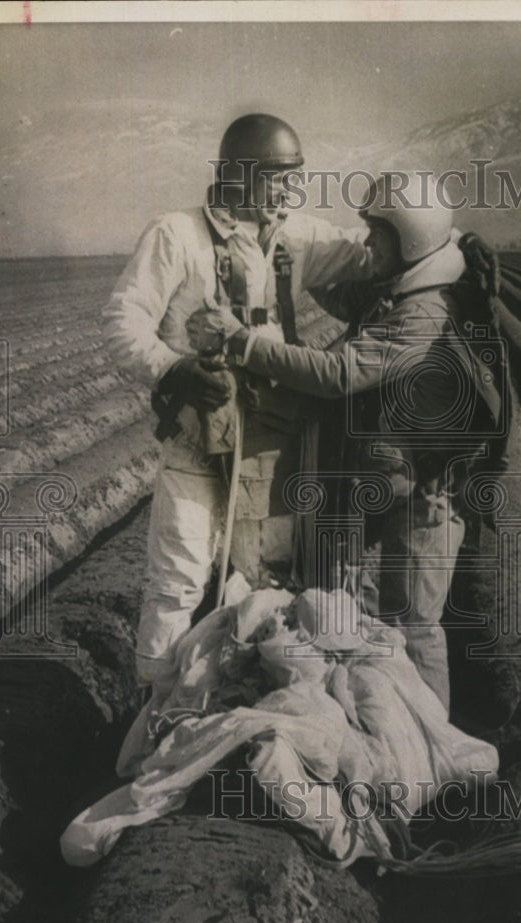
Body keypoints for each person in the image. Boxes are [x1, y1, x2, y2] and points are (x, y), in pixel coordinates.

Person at [189, 173, 505, 710]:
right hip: (397, 487)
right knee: (375, 619)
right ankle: (386, 732)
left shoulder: (424, 313)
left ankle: (430, 753)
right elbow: (348, 298)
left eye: (378, 234)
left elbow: (336, 373)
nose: (367, 244)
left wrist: (241, 341)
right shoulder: (414, 283)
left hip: (427, 497)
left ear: (410, 238)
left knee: (415, 623)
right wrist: (291, 264)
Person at [103, 113, 371, 698]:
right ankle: (157, 711)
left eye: (291, 178)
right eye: (277, 177)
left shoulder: (291, 237)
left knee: (257, 583)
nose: (287, 190)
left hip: (269, 443)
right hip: (199, 443)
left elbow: (363, 252)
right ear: (241, 174)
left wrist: (450, 243)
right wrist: (175, 368)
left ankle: (233, 709)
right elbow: (123, 320)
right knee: (178, 582)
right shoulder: (177, 235)